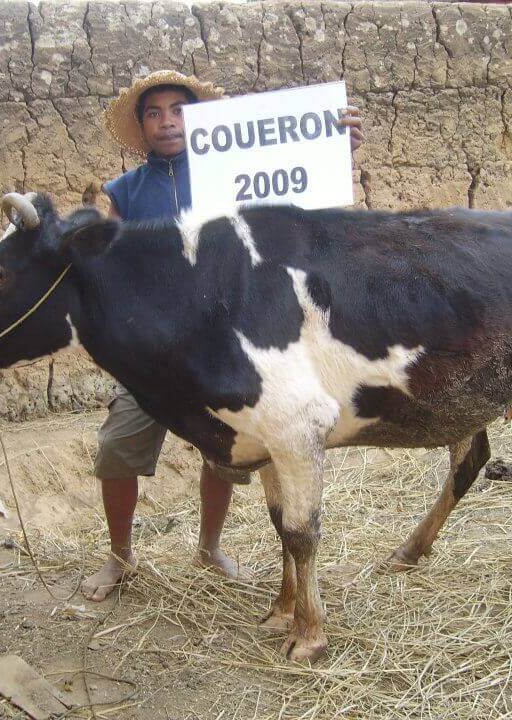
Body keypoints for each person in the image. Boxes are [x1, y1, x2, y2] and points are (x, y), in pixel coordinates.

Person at [80, 70, 364, 600]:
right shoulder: (124, 193)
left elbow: (291, 200)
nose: (166, 121)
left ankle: (209, 549)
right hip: (154, 356)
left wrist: (331, 149)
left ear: (197, 119)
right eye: (153, 112)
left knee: (226, 453)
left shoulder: (234, 169)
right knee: (118, 449)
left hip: (226, 348)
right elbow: (111, 269)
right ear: (141, 126)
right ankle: (118, 558)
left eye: (177, 110)